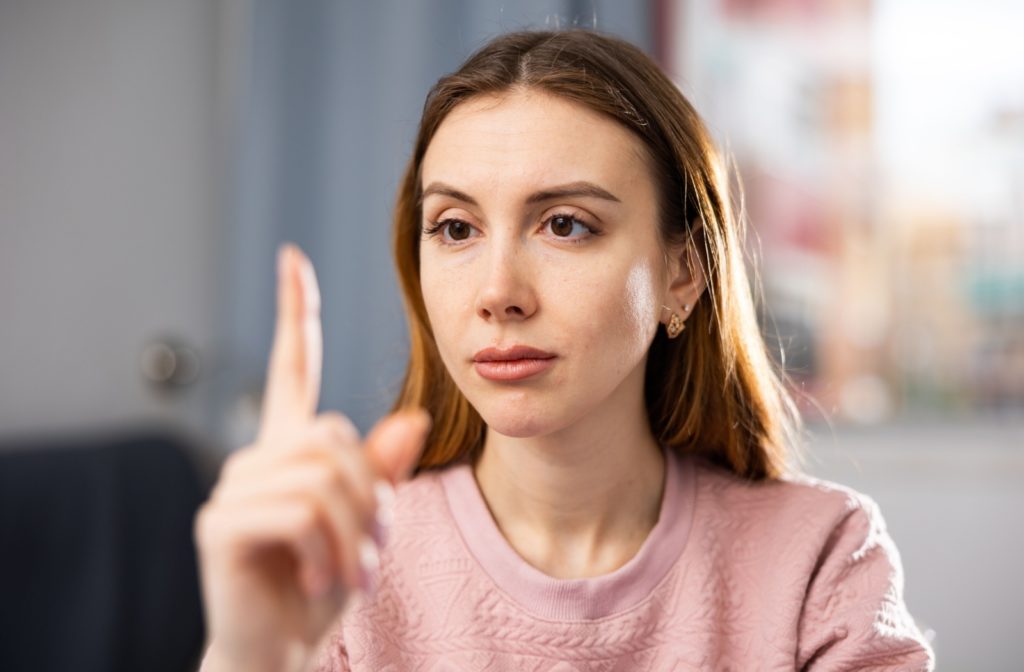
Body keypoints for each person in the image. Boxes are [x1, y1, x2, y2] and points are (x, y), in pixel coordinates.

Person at [194, 29, 935, 671]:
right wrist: (248, 660)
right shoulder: (342, 574)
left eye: (566, 225)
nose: (498, 292)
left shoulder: (818, 562)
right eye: (455, 228)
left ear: (682, 274)